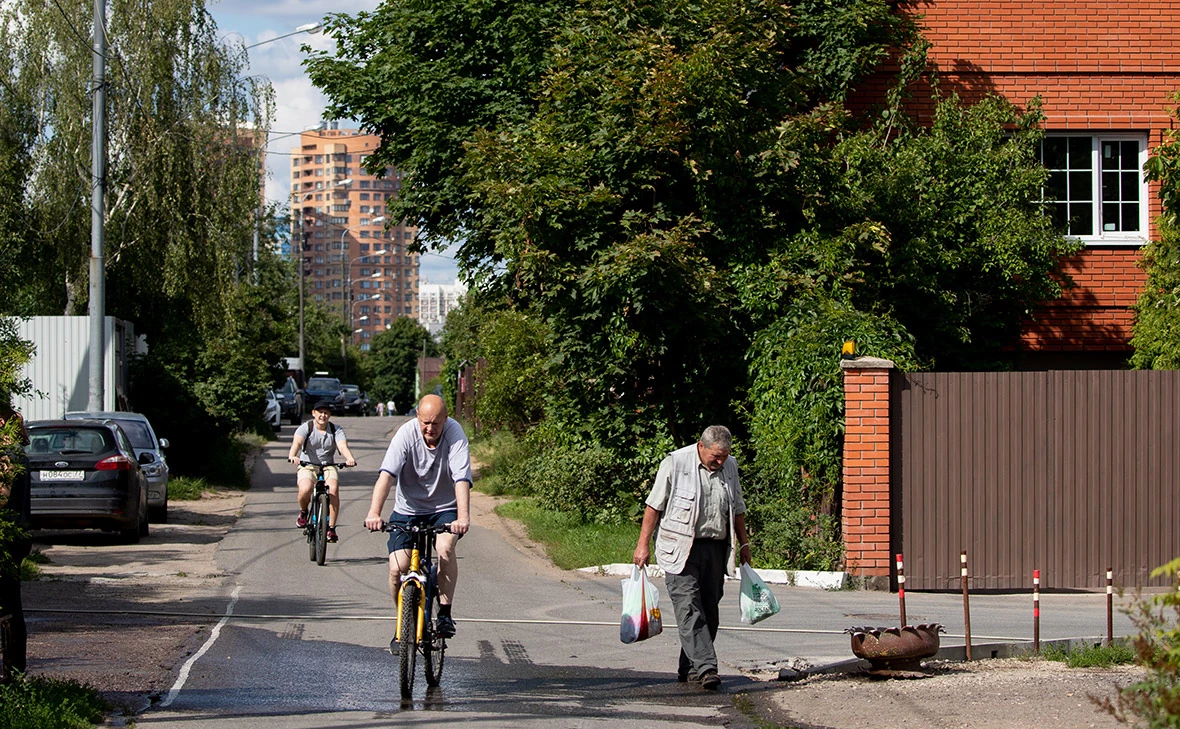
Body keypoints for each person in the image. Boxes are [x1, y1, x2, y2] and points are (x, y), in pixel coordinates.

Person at [634, 425, 751, 691]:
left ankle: (689, 667)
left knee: (709, 610)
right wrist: (642, 545)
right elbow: (653, 506)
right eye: (716, 456)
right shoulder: (675, 463)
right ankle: (707, 667)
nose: (720, 461)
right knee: (688, 607)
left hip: (715, 548)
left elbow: (738, 508)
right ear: (701, 446)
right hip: (679, 549)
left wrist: (744, 544)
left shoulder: (729, 466)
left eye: (725, 456)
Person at [364, 394, 471, 638]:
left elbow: (461, 478)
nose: (430, 428)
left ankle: (444, 613)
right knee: (397, 568)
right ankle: (403, 622)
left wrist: (462, 517)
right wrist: (374, 512)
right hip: (407, 510)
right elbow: (386, 476)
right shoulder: (405, 434)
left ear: (446, 419)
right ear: (417, 417)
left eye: (435, 423)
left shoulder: (455, 434)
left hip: (444, 508)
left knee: (444, 549)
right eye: (425, 422)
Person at [288, 401, 357, 543]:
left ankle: (331, 528)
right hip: (308, 465)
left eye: (326, 413)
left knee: (333, 489)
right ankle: (303, 511)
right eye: (320, 412)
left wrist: (349, 458)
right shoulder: (306, 428)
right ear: (314, 413)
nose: (323, 415)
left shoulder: (335, 429)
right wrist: (293, 455)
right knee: (305, 489)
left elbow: (342, 446)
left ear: (329, 415)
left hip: (327, 466)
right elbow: (297, 443)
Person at [0, 397, 31, 675]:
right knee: (11, 602)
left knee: (8, 604)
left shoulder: (7, 454)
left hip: (7, 537)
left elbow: (3, 496)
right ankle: (14, 670)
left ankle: (12, 671)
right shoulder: (17, 451)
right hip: (17, 535)